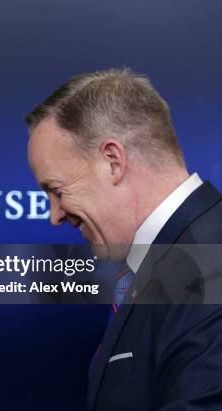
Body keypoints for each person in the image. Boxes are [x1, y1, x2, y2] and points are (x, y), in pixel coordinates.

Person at [25, 68, 222, 410]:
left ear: (113, 161)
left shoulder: (210, 261)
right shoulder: (173, 259)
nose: (54, 216)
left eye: (56, 191)